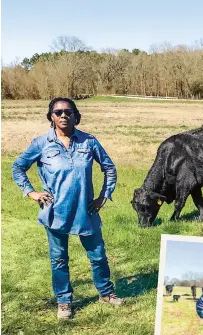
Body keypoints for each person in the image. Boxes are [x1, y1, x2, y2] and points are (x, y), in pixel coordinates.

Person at [12, 97, 123, 320]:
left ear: (75, 115)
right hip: (55, 213)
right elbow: (18, 167)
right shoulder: (41, 143)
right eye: (58, 112)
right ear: (51, 116)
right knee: (59, 259)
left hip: (86, 212)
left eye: (68, 112)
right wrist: (32, 193)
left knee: (98, 256)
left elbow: (109, 168)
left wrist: (104, 195)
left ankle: (106, 293)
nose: (63, 115)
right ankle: (64, 301)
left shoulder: (89, 142)